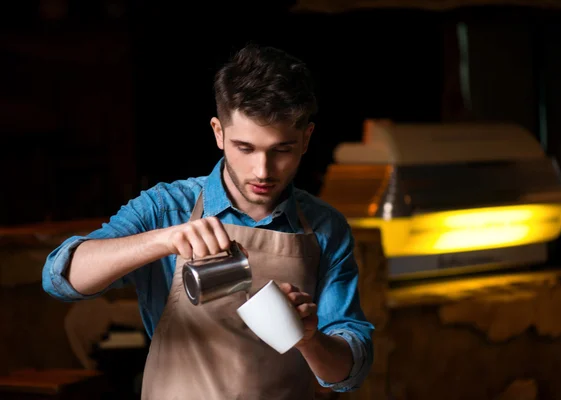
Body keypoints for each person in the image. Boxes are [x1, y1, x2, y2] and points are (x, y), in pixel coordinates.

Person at [42, 43, 374, 399]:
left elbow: (347, 374)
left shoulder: (326, 227)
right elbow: (61, 278)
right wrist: (164, 240)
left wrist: (309, 340)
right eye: (245, 148)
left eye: (282, 150)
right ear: (218, 133)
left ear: (306, 139)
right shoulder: (167, 207)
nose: (262, 171)